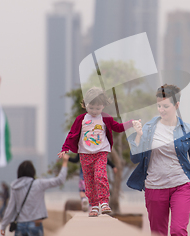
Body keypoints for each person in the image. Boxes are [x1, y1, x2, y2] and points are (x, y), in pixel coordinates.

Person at [126, 84, 190, 236]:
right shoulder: (148, 128)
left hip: (181, 186)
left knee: (178, 231)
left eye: (166, 106)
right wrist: (137, 135)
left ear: (177, 105)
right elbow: (135, 158)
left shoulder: (187, 130)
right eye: (159, 105)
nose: (162, 109)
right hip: (155, 188)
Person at [58, 87, 138, 217]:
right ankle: (94, 206)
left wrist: (131, 123)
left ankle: (104, 202)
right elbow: (72, 134)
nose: (94, 111)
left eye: (98, 108)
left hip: (100, 152)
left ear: (103, 106)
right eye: (91, 108)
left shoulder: (105, 118)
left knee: (100, 176)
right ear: (85, 104)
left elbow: (117, 127)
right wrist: (64, 148)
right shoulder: (80, 119)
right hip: (85, 154)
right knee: (89, 182)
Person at [0, 153, 70, 236]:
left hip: (20, 225)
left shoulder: (15, 186)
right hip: (35, 224)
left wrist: (3, 226)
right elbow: (59, 180)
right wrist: (65, 162)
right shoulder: (39, 184)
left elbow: (10, 208)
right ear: (32, 172)